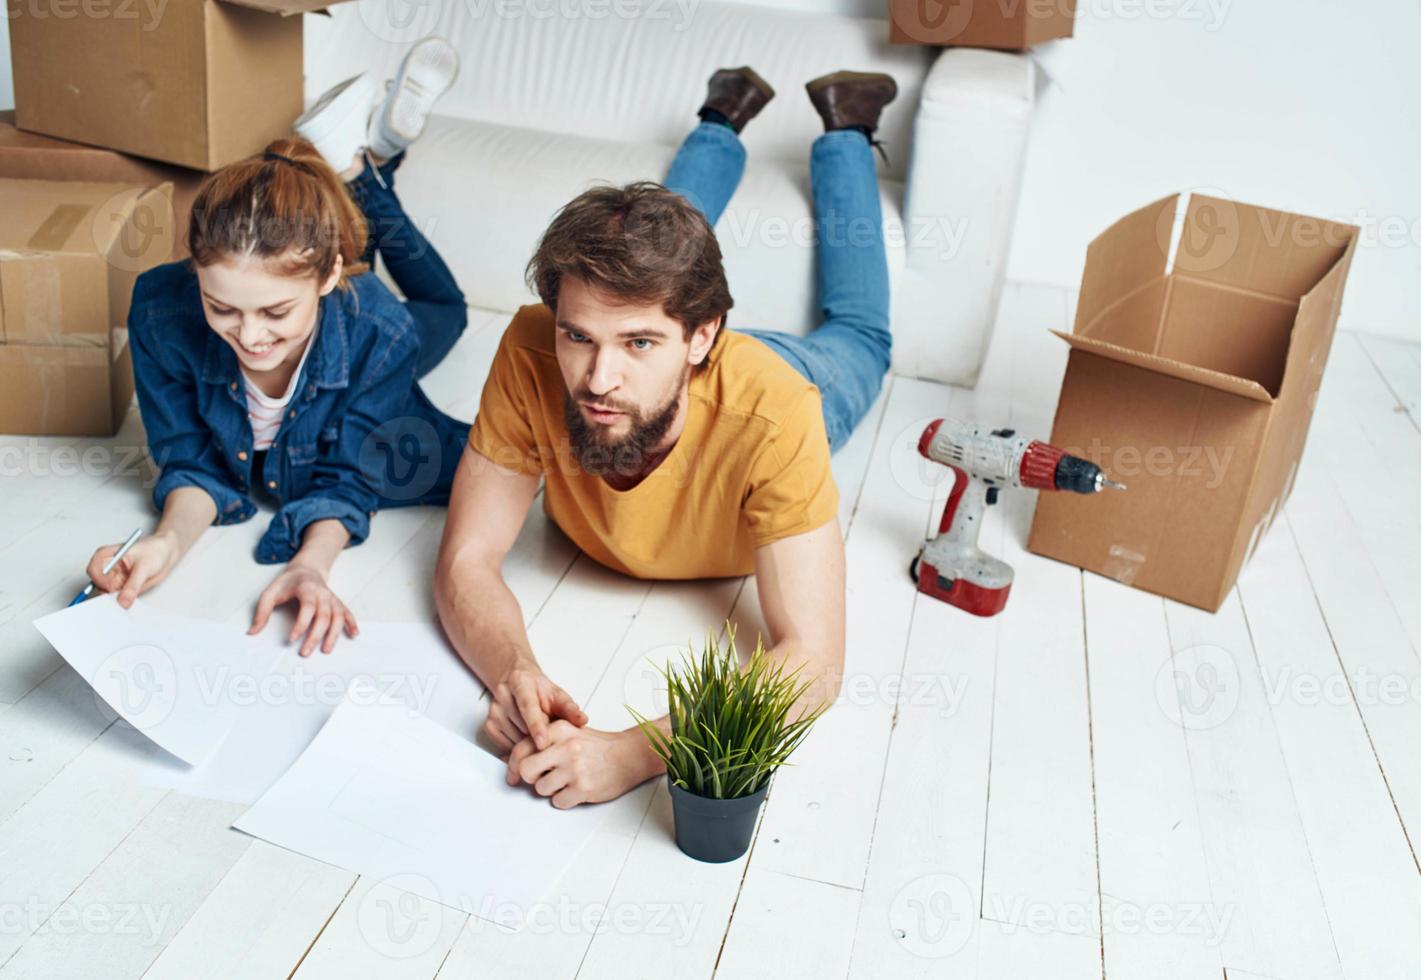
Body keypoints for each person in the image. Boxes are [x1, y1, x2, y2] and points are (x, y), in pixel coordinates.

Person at [434, 67, 898, 808]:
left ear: (700, 335)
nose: (597, 379)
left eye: (638, 343)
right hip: (696, 359)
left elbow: (811, 662)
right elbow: (466, 558)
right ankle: (721, 118)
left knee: (863, 336)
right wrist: (513, 670)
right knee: (648, 244)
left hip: (788, 373)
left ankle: (844, 132)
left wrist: (631, 754)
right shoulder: (531, 350)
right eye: (578, 336)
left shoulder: (779, 411)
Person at [85, 38, 471, 657]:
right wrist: (165, 543)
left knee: (447, 312)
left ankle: (363, 176)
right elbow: (190, 463)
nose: (250, 337)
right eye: (221, 308)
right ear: (195, 275)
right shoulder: (162, 309)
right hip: (344, 322)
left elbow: (351, 477)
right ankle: (357, 169)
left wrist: (312, 565)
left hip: (367, 338)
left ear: (327, 278)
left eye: (276, 311)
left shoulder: (381, 330)